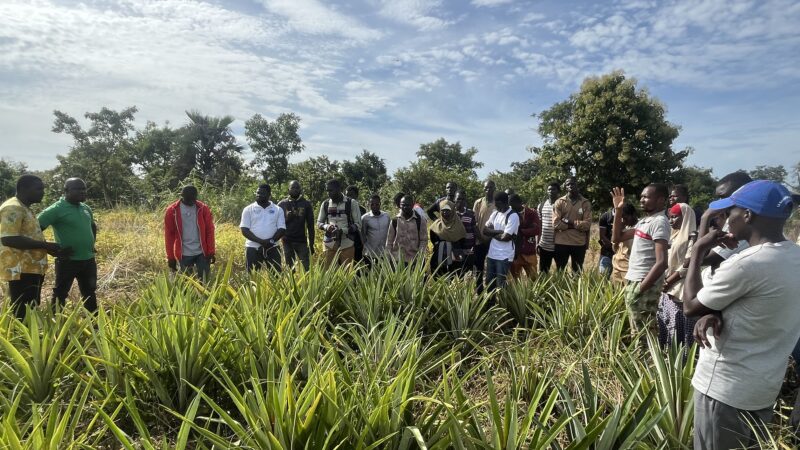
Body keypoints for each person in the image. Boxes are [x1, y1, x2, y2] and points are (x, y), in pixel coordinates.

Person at [682, 180, 799, 450]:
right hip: (763, 389)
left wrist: (699, 248)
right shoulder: (795, 257)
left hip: (725, 389)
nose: (726, 219)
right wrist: (717, 313)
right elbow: (762, 306)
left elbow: (690, 306)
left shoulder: (746, 263)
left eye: (730, 212)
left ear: (747, 215)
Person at [0, 175, 64, 319]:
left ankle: (29, 338)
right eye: (39, 189)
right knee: (22, 311)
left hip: (31, 268)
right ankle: (23, 340)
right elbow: (9, 239)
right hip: (20, 269)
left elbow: (27, 236)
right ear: (23, 189)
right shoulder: (13, 207)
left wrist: (47, 249)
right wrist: (44, 245)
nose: (42, 192)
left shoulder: (25, 208)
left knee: (31, 306)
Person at [611, 184, 669, 336]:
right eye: (641, 196)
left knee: (644, 332)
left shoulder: (659, 222)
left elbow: (662, 262)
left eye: (646, 197)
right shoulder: (644, 222)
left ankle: (647, 359)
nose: (641, 200)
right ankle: (639, 358)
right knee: (636, 329)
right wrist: (618, 210)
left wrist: (641, 288)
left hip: (644, 283)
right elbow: (617, 238)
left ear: (661, 200)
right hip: (633, 280)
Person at [38, 178, 100, 311]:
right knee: (60, 293)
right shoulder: (55, 209)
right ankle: (56, 324)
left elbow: (92, 226)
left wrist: (92, 244)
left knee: (89, 292)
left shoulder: (85, 208)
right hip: (68, 261)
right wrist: (48, 247)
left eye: (84, 189)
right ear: (66, 191)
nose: (82, 192)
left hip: (88, 259)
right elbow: (34, 229)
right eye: (78, 189)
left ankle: (94, 323)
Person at [657, 203, 697, 348]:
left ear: (685, 217)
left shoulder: (693, 236)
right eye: (670, 217)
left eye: (675, 217)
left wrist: (668, 281)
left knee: (681, 328)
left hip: (680, 288)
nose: (671, 221)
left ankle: (682, 363)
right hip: (667, 287)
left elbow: (688, 263)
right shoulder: (673, 235)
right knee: (667, 324)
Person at [698, 172, 753, 274]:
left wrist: (705, 218)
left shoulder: (743, 224)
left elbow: (701, 259)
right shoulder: (733, 221)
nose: (720, 202)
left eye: (723, 197)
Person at [163, 185, 215, 281]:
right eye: (188, 198)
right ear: (182, 196)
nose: (192, 201)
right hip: (183, 253)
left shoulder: (203, 208)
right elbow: (169, 235)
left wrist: (211, 251)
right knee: (186, 284)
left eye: (194, 198)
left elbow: (210, 230)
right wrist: (170, 257)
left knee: (205, 282)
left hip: (202, 252)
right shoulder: (172, 210)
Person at [240, 184, 286, 272]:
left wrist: (271, 241)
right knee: (251, 278)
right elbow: (244, 230)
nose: (258, 195)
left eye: (262, 193)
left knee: (276, 277)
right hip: (253, 248)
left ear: (269, 195)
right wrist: (261, 242)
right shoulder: (248, 209)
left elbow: (282, 229)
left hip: (273, 248)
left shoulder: (278, 209)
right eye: (257, 193)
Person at [318, 180, 362, 267]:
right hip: (329, 244)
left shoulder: (351, 203)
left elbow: (358, 224)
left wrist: (342, 231)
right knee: (329, 272)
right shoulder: (325, 204)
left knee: (347, 273)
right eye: (327, 190)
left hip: (347, 243)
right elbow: (319, 223)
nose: (328, 193)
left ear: (339, 189)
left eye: (331, 190)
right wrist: (327, 227)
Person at [553, 177, 592, 272]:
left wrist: (567, 221)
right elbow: (556, 223)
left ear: (577, 185)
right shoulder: (559, 202)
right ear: (565, 187)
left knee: (577, 271)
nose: (570, 186)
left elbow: (587, 224)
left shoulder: (585, 203)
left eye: (572, 184)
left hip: (579, 242)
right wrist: (577, 225)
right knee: (561, 271)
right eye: (568, 184)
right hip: (561, 242)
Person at [483, 192, 520, 292]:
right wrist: (499, 232)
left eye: (498, 204)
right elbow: (485, 230)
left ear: (504, 203)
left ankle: (502, 306)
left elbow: (506, 238)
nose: (496, 207)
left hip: (504, 256)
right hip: (492, 254)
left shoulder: (513, 216)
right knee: (489, 283)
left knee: (501, 284)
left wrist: (492, 233)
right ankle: (490, 305)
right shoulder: (495, 214)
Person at [278, 180, 315, 271]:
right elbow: (276, 224)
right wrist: (287, 218)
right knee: (290, 269)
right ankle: (292, 285)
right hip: (287, 241)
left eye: (297, 188)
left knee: (307, 269)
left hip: (301, 241)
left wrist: (311, 244)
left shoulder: (306, 204)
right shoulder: (282, 204)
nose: (295, 190)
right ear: (288, 190)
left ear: (300, 190)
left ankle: (307, 285)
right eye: (293, 188)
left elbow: (310, 225)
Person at [429, 199, 467, 276]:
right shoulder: (436, 225)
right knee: (439, 276)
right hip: (439, 255)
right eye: (443, 210)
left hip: (455, 255)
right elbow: (433, 239)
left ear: (452, 211)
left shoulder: (459, 226)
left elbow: (462, 241)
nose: (445, 212)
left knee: (455, 276)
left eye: (448, 210)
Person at [386, 194, 427, 265]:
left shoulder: (420, 220)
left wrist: (420, 258)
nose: (405, 207)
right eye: (403, 205)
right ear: (400, 205)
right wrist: (387, 258)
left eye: (408, 205)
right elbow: (389, 241)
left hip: (414, 261)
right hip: (397, 261)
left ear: (412, 205)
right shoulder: (395, 220)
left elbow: (423, 240)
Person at [509, 194, 540, 279]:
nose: (510, 207)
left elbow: (536, 230)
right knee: (515, 281)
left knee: (533, 280)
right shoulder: (510, 214)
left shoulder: (531, 213)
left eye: (511, 204)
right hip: (515, 253)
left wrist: (521, 231)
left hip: (529, 251)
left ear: (519, 203)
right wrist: (528, 228)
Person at [473, 180, 496, 291]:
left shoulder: (498, 203)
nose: (488, 190)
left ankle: (491, 290)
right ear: (483, 189)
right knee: (479, 267)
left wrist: (489, 238)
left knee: (492, 267)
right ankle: (479, 290)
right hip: (479, 240)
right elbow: (474, 223)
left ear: (494, 188)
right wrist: (482, 238)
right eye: (486, 187)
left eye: (491, 187)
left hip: (494, 241)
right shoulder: (478, 202)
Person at [610, 203, 638, 284]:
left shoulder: (639, 228)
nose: (623, 221)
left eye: (625, 217)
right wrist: (619, 230)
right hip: (616, 268)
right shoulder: (623, 228)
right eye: (620, 218)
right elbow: (615, 249)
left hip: (629, 270)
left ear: (633, 214)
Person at [360, 194, 390, 267]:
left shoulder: (386, 216)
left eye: (377, 204)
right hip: (370, 253)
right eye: (372, 204)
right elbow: (362, 233)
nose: (374, 206)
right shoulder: (365, 218)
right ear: (369, 204)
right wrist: (364, 246)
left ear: (380, 204)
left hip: (384, 253)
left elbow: (390, 232)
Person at [537, 182, 560, 274]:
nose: (551, 191)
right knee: (543, 271)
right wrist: (537, 242)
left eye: (553, 189)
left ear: (558, 191)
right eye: (549, 189)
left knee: (561, 271)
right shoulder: (541, 205)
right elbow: (539, 225)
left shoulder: (562, 205)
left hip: (559, 245)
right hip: (544, 245)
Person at [454, 190, 477, 275]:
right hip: (456, 249)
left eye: (463, 199)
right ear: (454, 199)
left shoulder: (470, 213)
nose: (461, 201)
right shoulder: (451, 214)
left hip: (469, 249)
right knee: (457, 274)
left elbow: (474, 229)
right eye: (458, 199)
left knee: (468, 274)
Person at [345, 185, 368, 262]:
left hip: (358, 242)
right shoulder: (342, 209)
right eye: (347, 195)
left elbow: (363, 227)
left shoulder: (362, 210)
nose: (348, 197)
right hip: (345, 242)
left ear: (356, 195)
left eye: (351, 195)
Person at [598, 207, 615, 277]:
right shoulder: (605, 216)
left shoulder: (627, 215)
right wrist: (613, 247)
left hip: (623, 255)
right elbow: (602, 236)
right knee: (603, 278)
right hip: (607, 253)